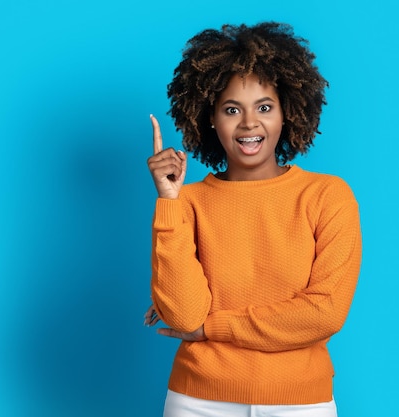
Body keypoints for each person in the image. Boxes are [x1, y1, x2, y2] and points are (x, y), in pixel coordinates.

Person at [144, 22, 362, 417]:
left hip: (301, 403)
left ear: (287, 113)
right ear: (210, 118)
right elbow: (183, 316)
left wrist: (212, 329)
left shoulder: (327, 196)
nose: (249, 123)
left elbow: (324, 312)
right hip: (198, 401)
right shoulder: (185, 203)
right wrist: (169, 201)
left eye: (264, 107)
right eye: (231, 109)